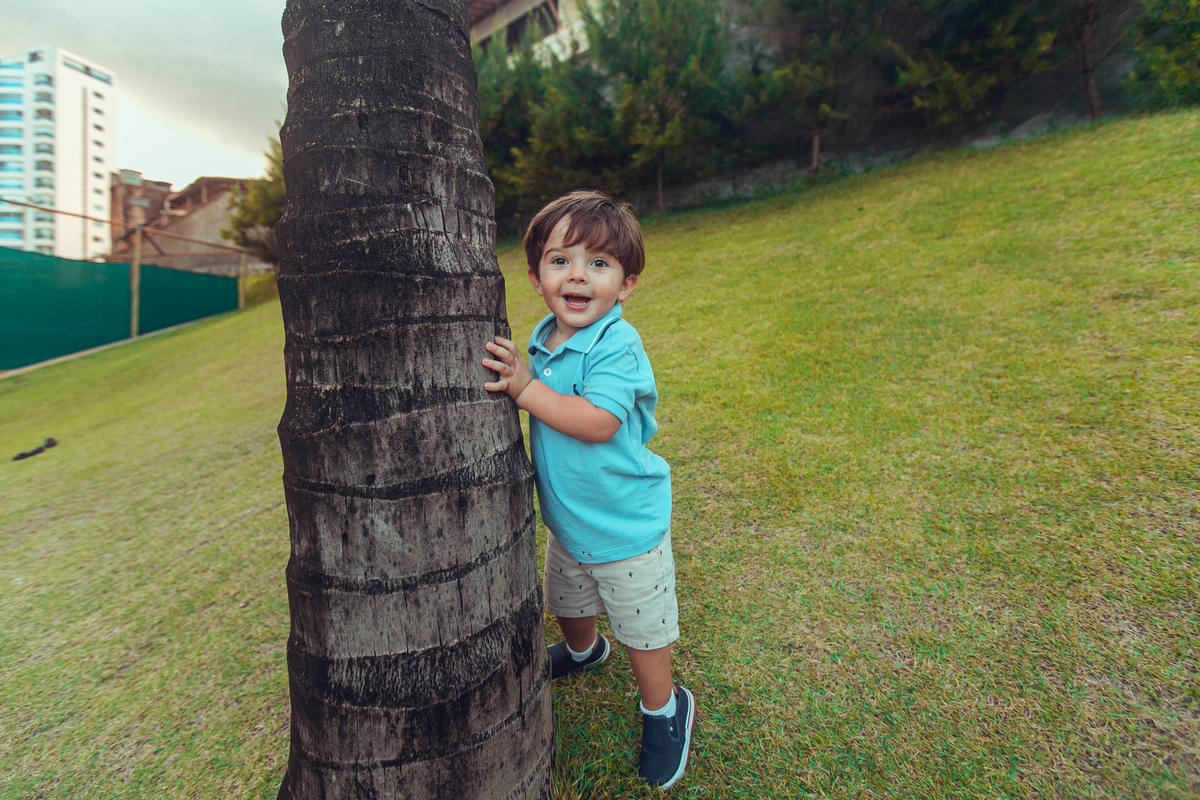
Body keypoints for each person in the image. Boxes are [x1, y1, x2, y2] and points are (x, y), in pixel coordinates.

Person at [482, 190, 693, 790]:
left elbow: (599, 422)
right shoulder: (543, 338)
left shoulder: (616, 345)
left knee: (642, 630)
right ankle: (582, 652)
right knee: (569, 604)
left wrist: (524, 390)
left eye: (599, 264)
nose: (578, 275)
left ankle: (664, 708)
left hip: (625, 526)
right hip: (568, 522)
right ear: (535, 276)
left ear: (626, 284)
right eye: (561, 260)